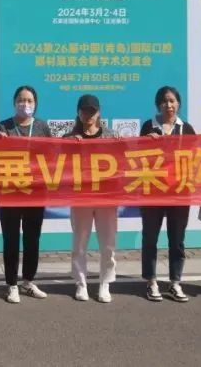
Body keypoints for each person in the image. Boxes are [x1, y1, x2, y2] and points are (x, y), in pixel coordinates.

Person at [0, 85, 52, 304]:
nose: (24, 104)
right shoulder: (4, 126)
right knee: (10, 239)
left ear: (35, 104)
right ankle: (11, 284)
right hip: (10, 192)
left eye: (29, 100)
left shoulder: (42, 126)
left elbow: (52, 156)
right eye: (21, 100)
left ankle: (28, 281)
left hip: (35, 192)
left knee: (32, 239)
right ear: (14, 103)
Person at [139, 85, 196, 303]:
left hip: (179, 193)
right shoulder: (148, 126)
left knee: (177, 239)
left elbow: (195, 158)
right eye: (164, 101)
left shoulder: (186, 129)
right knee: (150, 238)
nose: (168, 105)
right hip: (153, 192)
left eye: (172, 100)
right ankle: (151, 281)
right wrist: (147, 142)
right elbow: (138, 156)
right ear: (158, 105)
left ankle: (175, 282)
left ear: (178, 103)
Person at [64, 94, 118, 304]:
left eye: (93, 111)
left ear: (99, 112)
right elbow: (58, 164)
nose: (89, 115)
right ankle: (81, 283)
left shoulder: (112, 136)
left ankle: (105, 283)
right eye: (85, 110)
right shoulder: (69, 137)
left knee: (108, 244)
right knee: (79, 244)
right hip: (80, 198)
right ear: (78, 112)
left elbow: (125, 162)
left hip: (107, 198)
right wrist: (70, 146)